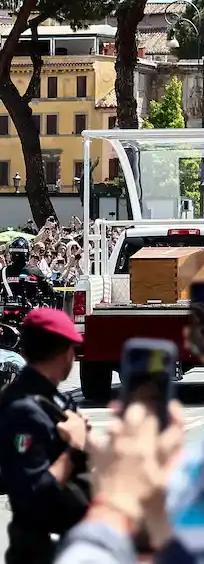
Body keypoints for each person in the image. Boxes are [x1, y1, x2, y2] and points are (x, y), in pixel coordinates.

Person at [0, 308, 91, 564]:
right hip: (40, 550)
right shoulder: (24, 409)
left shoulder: (55, 399)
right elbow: (33, 492)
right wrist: (72, 450)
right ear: (64, 352)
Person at [2, 237, 55, 305]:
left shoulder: (3, 271)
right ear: (27, 254)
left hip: (7, 310)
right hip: (29, 311)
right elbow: (48, 290)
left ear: (11, 254)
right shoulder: (35, 271)